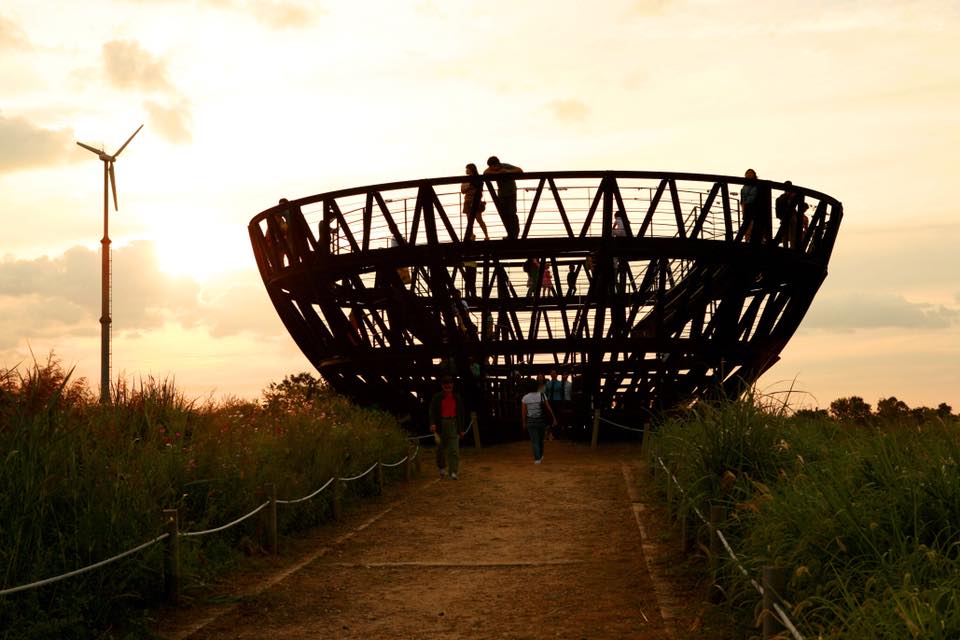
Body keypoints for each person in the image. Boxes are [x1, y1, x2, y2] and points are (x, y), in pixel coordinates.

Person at [429, 375, 467, 479]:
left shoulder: (457, 398)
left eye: (449, 385)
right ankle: (442, 468)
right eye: (446, 386)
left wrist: (461, 429)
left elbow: (461, 414)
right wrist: (432, 423)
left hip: (454, 423)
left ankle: (453, 471)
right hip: (441, 423)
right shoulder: (437, 397)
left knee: (454, 449)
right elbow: (432, 411)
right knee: (440, 449)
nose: (448, 387)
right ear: (442, 386)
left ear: (452, 386)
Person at [484, 156, 523, 239]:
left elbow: (520, 170)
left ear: (496, 164)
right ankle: (511, 235)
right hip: (502, 195)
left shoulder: (505, 166)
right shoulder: (492, 169)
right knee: (505, 215)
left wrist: (507, 172)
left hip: (511, 193)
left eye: (492, 167)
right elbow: (485, 172)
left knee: (512, 214)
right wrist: (499, 173)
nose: (491, 168)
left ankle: (514, 235)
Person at [521, 378, 557, 463]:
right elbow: (548, 408)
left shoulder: (525, 398)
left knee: (534, 441)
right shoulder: (542, 395)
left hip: (531, 421)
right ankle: (540, 455)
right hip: (541, 421)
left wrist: (523, 422)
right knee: (541, 440)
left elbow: (524, 412)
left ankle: (537, 459)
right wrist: (553, 418)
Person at [461, 163, 489, 240]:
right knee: (469, 220)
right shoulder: (465, 179)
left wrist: (469, 187)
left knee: (479, 219)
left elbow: (480, 189)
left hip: (475, 201)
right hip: (467, 201)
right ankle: (472, 235)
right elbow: (462, 190)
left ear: (471, 169)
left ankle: (486, 235)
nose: (466, 170)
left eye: (467, 168)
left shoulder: (477, 178)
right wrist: (470, 187)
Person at [462, 234, 477, 298]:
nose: (474, 238)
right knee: (471, 281)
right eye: (473, 237)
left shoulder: (466, 245)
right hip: (471, 265)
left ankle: (469, 294)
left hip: (469, 265)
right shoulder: (471, 245)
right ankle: (472, 294)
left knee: (469, 281)